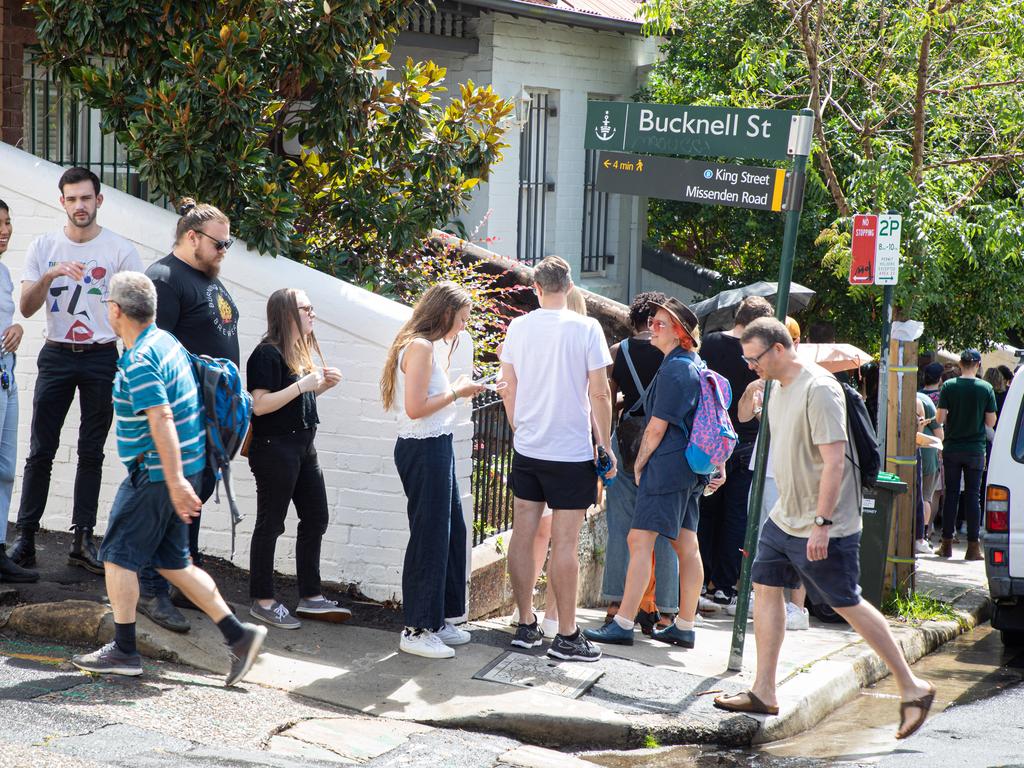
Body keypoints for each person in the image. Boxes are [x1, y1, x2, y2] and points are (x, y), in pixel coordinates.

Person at [714, 318, 935, 741]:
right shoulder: (776, 388)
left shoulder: (820, 389)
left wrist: (821, 523)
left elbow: (834, 461)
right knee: (764, 585)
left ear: (778, 350)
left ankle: (913, 686)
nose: (749, 366)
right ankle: (764, 689)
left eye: (754, 358)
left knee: (846, 602)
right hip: (784, 517)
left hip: (824, 523)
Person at [70, 272, 265, 684]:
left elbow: (162, 419)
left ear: (116, 310)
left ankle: (124, 651)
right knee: (173, 562)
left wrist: (174, 481)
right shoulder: (167, 342)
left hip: (157, 474)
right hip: (186, 469)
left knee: (117, 556)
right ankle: (239, 636)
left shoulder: (140, 360)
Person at [8, 167, 144, 573]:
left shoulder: (120, 250)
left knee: (91, 451)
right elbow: (27, 308)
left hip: (101, 356)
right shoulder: (44, 245)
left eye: (86, 198)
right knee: (40, 451)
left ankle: (81, 540)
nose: (79, 206)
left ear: (98, 201)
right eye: (72, 199)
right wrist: (51, 273)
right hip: (56, 354)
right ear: (61, 201)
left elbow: (136, 314)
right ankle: (26, 538)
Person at [585, 297, 717, 650]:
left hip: (666, 465)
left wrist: (641, 462)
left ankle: (624, 622)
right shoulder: (690, 362)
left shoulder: (676, 368)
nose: (651, 329)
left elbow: (657, 427)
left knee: (638, 540)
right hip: (686, 467)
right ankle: (683, 625)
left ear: (678, 333)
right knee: (686, 543)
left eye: (660, 324)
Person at [500, 256, 614, 662]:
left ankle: (526, 625)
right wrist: (605, 445)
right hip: (570, 451)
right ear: (569, 287)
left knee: (523, 534)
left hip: (529, 448)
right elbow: (599, 393)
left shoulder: (518, 327)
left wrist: (519, 427)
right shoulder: (587, 328)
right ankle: (566, 635)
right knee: (564, 543)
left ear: (536, 289)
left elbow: (507, 386)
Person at [137, 199, 242, 633]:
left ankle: (182, 580)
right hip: (181, 418)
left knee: (190, 506)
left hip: (212, 421)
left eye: (228, 243)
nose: (224, 251)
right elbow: (151, 353)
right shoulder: (164, 279)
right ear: (192, 237)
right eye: (220, 243)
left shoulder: (207, 278)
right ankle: (150, 591)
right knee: (165, 504)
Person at [381, 282, 484, 659]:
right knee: (430, 536)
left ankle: (438, 618)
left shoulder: (423, 346)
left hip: (435, 444)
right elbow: (415, 407)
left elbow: (425, 400)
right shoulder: (421, 347)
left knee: (450, 530)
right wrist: (458, 392)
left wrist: (455, 388)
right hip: (423, 448)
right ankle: (417, 628)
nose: (461, 329)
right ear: (443, 313)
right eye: (460, 320)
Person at [246, 288, 349, 629]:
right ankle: (262, 600)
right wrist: (303, 386)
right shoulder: (266, 354)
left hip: (304, 447)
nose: (312, 313)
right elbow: (260, 405)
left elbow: (295, 398)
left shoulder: (299, 351)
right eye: (306, 308)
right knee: (271, 523)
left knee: (317, 517)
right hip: (275, 448)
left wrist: (321, 387)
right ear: (287, 313)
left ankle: (310, 596)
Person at [601, 291, 679, 634]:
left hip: (627, 444)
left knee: (621, 526)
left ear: (635, 321)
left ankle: (617, 603)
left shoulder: (620, 352)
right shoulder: (676, 353)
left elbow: (607, 398)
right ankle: (665, 610)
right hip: (665, 447)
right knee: (663, 530)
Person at [696, 295, 773, 612]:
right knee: (736, 516)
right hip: (747, 439)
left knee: (705, 511)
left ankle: (699, 581)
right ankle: (725, 587)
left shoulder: (711, 343)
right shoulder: (761, 352)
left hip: (712, 437)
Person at [735, 316, 809, 630]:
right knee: (760, 534)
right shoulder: (761, 382)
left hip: (791, 472)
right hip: (763, 464)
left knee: (794, 539)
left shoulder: (803, 383)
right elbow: (741, 416)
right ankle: (765, 596)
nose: (755, 364)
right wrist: (753, 400)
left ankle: (798, 607)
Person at [936, 349, 997, 560]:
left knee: (951, 494)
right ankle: (973, 548)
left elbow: (940, 418)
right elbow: (991, 422)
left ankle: (946, 544)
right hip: (975, 450)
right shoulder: (986, 388)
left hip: (952, 448)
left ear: (960, 364)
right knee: (973, 496)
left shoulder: (948, 386)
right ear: (978, 365)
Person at [0, 201, 34, 583]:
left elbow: (8, 323)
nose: (5, 229)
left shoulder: (5, 273)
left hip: (6, 376)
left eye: (8, 222)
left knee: (6, 467)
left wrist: (19, 331)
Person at [915, 391, 943, 553]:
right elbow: (940, 434)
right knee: (925, 496)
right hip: (925, 451)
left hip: (911, 453)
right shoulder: (923, 401)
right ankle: (923, 536)